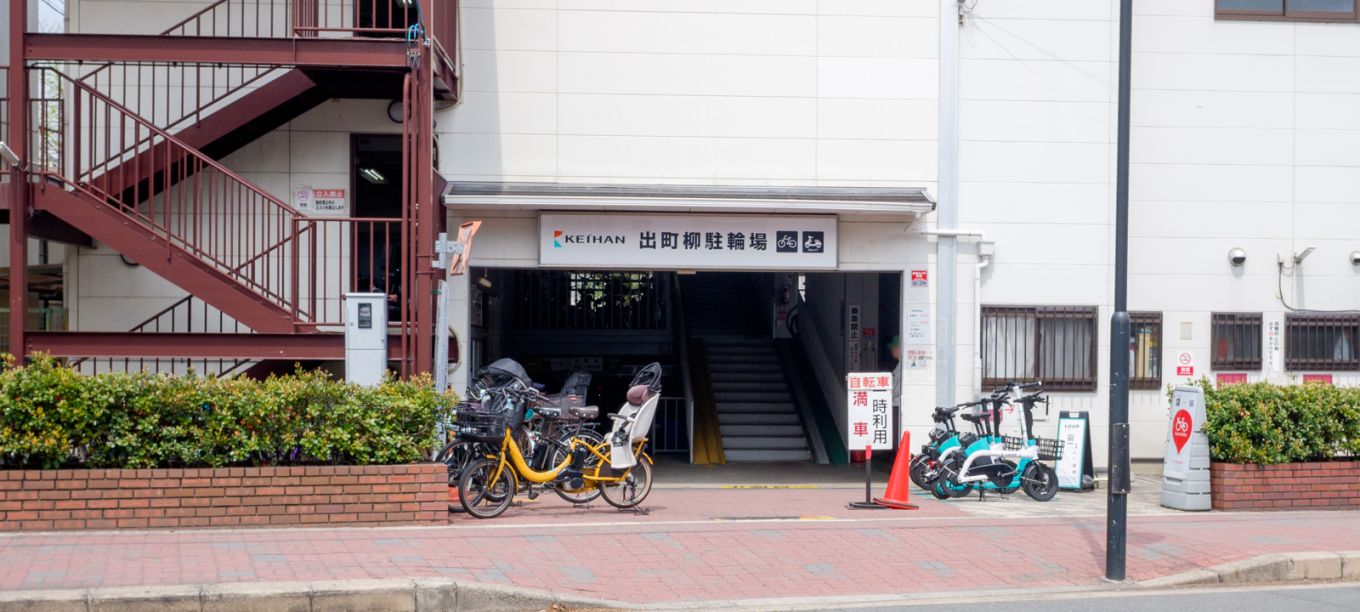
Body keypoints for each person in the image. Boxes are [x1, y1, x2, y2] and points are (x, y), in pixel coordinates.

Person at [889, 335, 903, 410]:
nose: (892, 350)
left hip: (897, 406)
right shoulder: (899, 364)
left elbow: (896, 391)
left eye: (894, 347)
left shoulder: (903, 367)